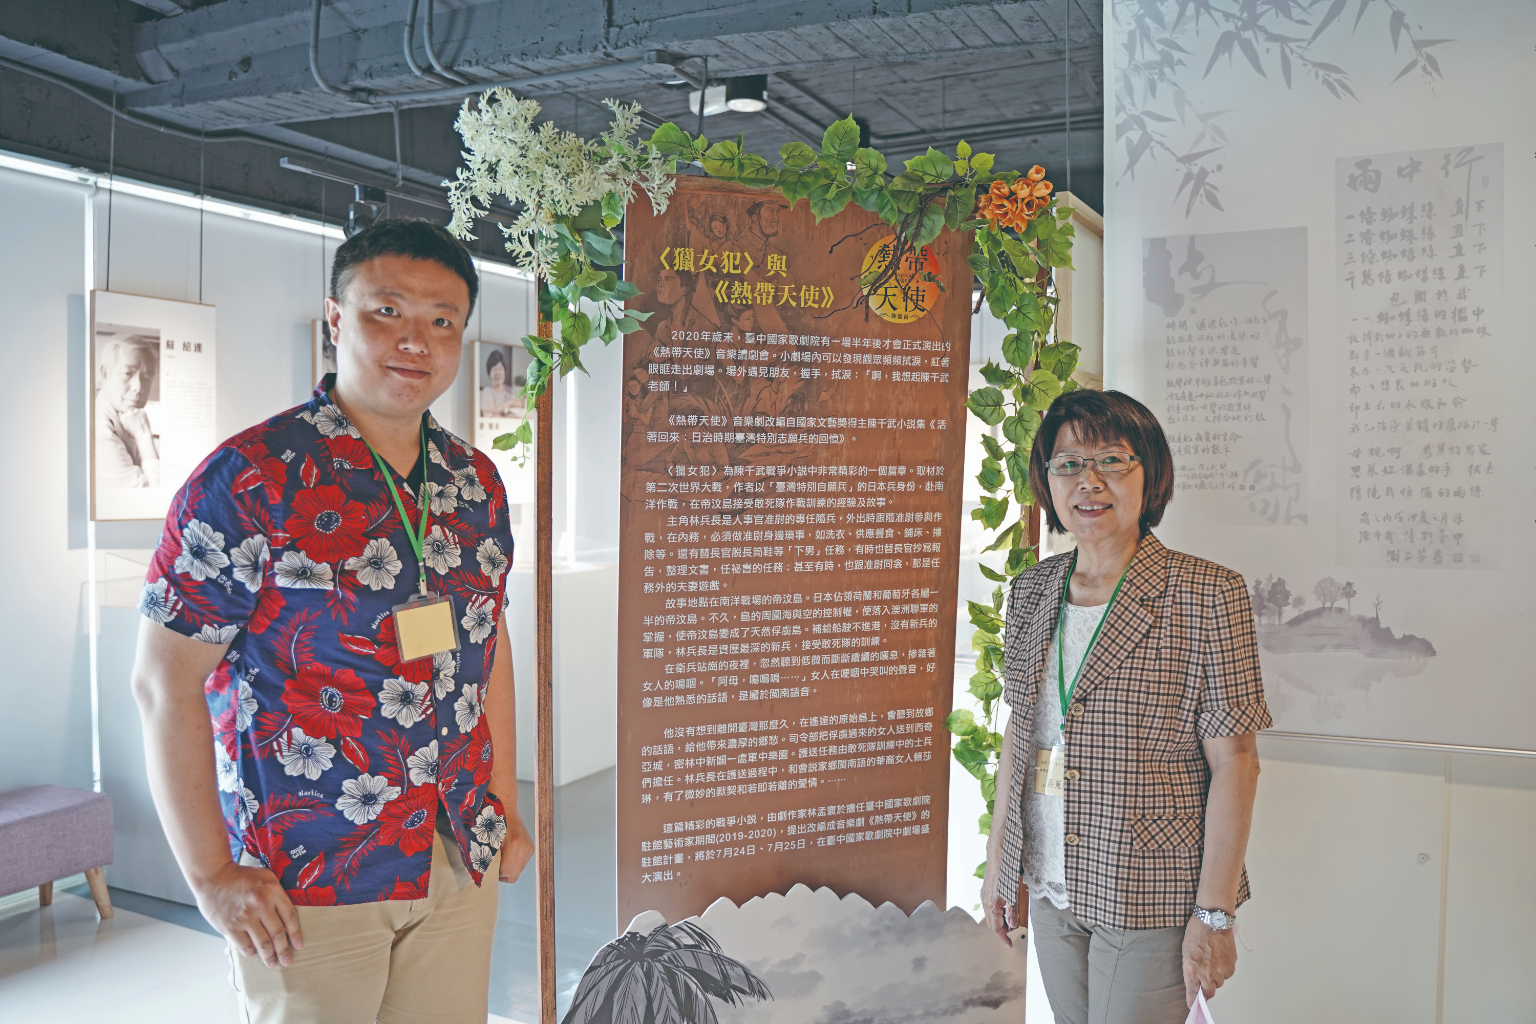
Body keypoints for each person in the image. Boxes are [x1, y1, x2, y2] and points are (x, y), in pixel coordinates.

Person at [130, 218, 534, 1023]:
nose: (415, 340)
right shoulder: (250, 478)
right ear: (335, 318)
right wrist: (212, 875)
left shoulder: (474, 482)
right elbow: (162, 683)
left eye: (442, 320)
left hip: (456, 850)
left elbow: (488, 649)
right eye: (387, 311)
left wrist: (504, 804)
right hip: (309, 872)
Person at [980, 389, 1270, 1023]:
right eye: (1068, 464)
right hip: (1052, 879)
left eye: (1111, 460)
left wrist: (1215, 913)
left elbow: (1236, 763)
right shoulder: (1032, 591)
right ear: (1048, 481)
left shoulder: (1206, 593)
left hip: (1148, 888)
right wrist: (1000, 860)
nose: (1089, 481)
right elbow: (1021, 734)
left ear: (1150, 473)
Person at [96, 333, 161, 488]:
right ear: (105, 373)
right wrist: (144, 436)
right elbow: (155, 495)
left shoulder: (127, 416)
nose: (138, 387)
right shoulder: (101, 433)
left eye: (146, 377)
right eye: (127, 373)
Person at [478, 348, 521, 416]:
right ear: (489, 373)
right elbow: (490, 412)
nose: (498, 373)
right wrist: (509, 403)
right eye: (494, 370)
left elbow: (516, 409)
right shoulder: (487, 391)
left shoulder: (510, 391)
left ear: (504, 371)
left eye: (500, 369)